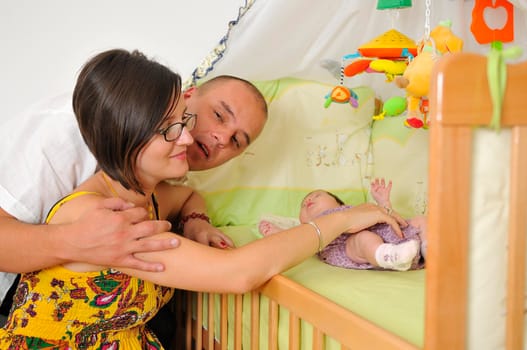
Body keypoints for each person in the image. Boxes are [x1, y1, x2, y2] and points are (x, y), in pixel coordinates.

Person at [0, 49, 401, 349]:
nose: (193, 139)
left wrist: (196, 221)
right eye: (171, 129)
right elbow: (237, 274)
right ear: (130, 131)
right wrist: (339, 220)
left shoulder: (150, 192)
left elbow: (188, 194)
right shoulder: (107, 215)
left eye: (184, 123)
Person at [259, 178, 427, 271]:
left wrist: (384, 202)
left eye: (317, 195)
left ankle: (431, 251)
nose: (309, 200)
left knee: (420, 221)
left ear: (339, 204)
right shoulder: (311, 227)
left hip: (397, 239)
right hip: (346, 247)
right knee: (363, 238)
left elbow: (386, 217)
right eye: (303, 204)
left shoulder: (356, 210)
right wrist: (277, 231)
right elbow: (295, 239)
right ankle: (391, 256)